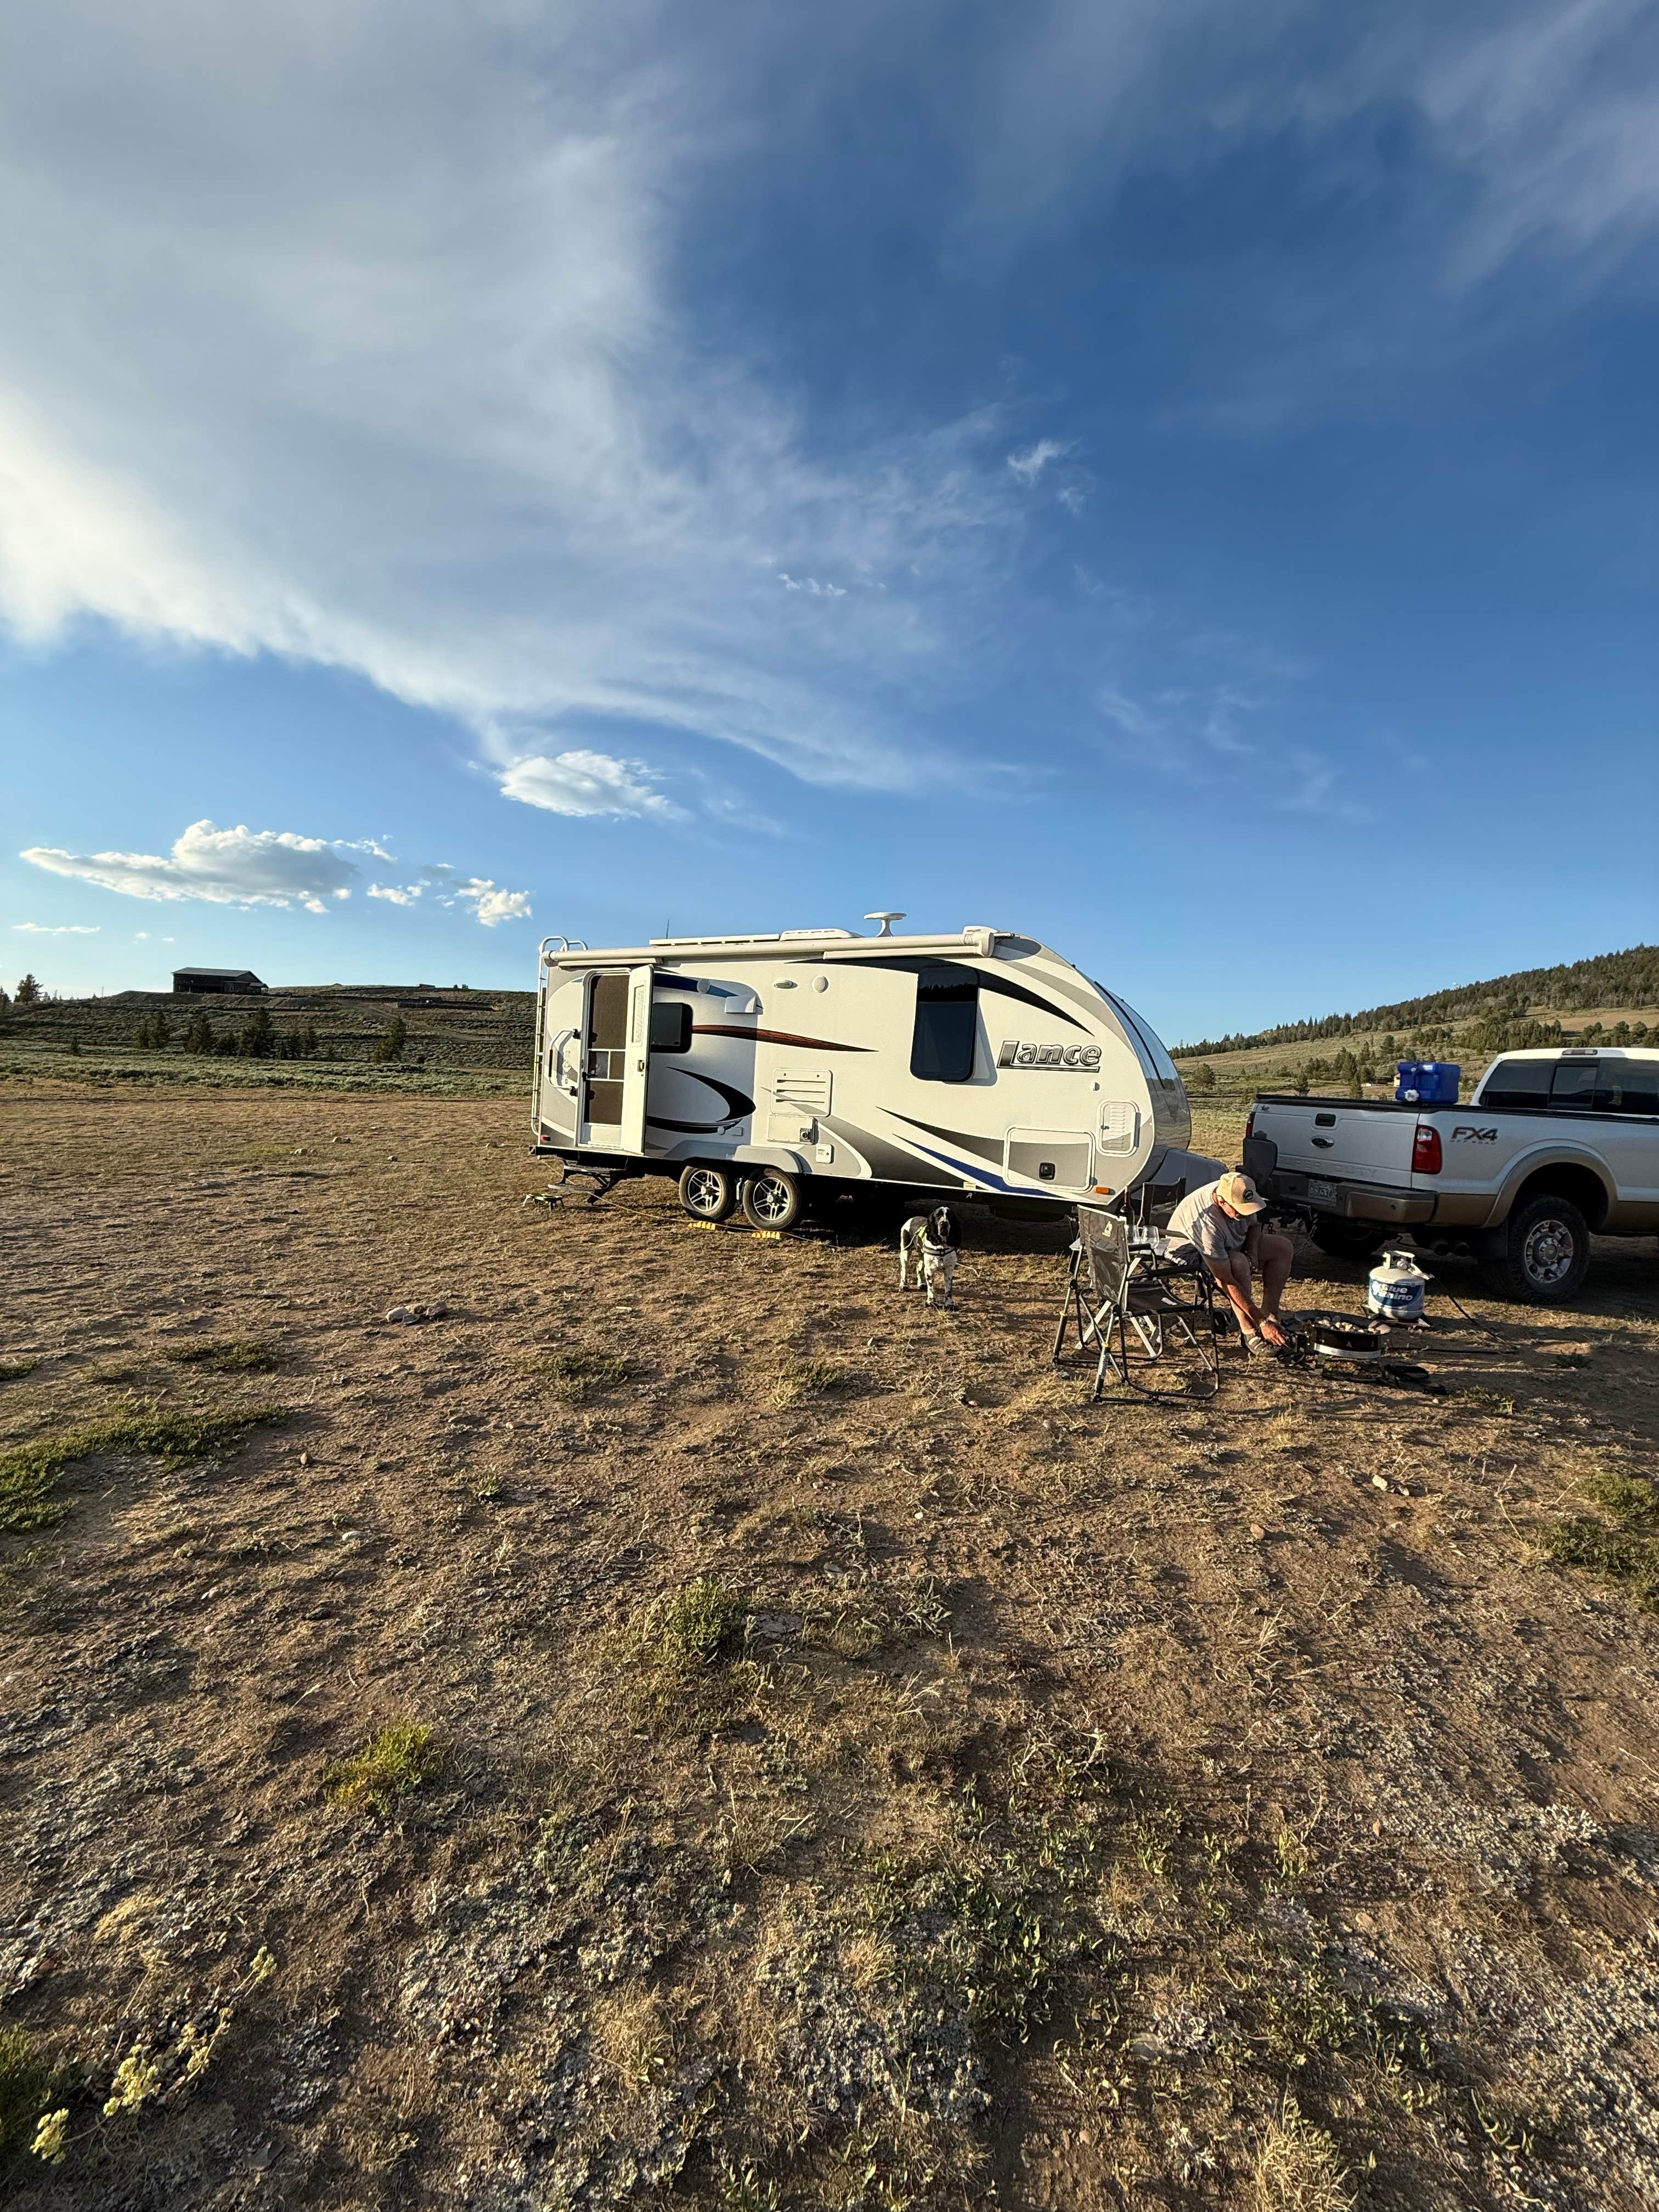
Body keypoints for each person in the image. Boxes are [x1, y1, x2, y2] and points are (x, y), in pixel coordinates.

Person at [1164, 1170, 1295, 1355]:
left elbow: (1255, 1226)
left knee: (1283, 1247)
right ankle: (1250, 1332)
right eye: (1240, 1210)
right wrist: (1260, 1323)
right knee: (1238, 1263)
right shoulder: (1208, 1224)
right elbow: (1224, 1280)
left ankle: (1271, 1314)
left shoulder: (1239, 1194)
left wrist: (1254, 1253)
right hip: (1191, 1254)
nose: (1245, 1213)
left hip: (1230, 1244)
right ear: (1221, 1201)